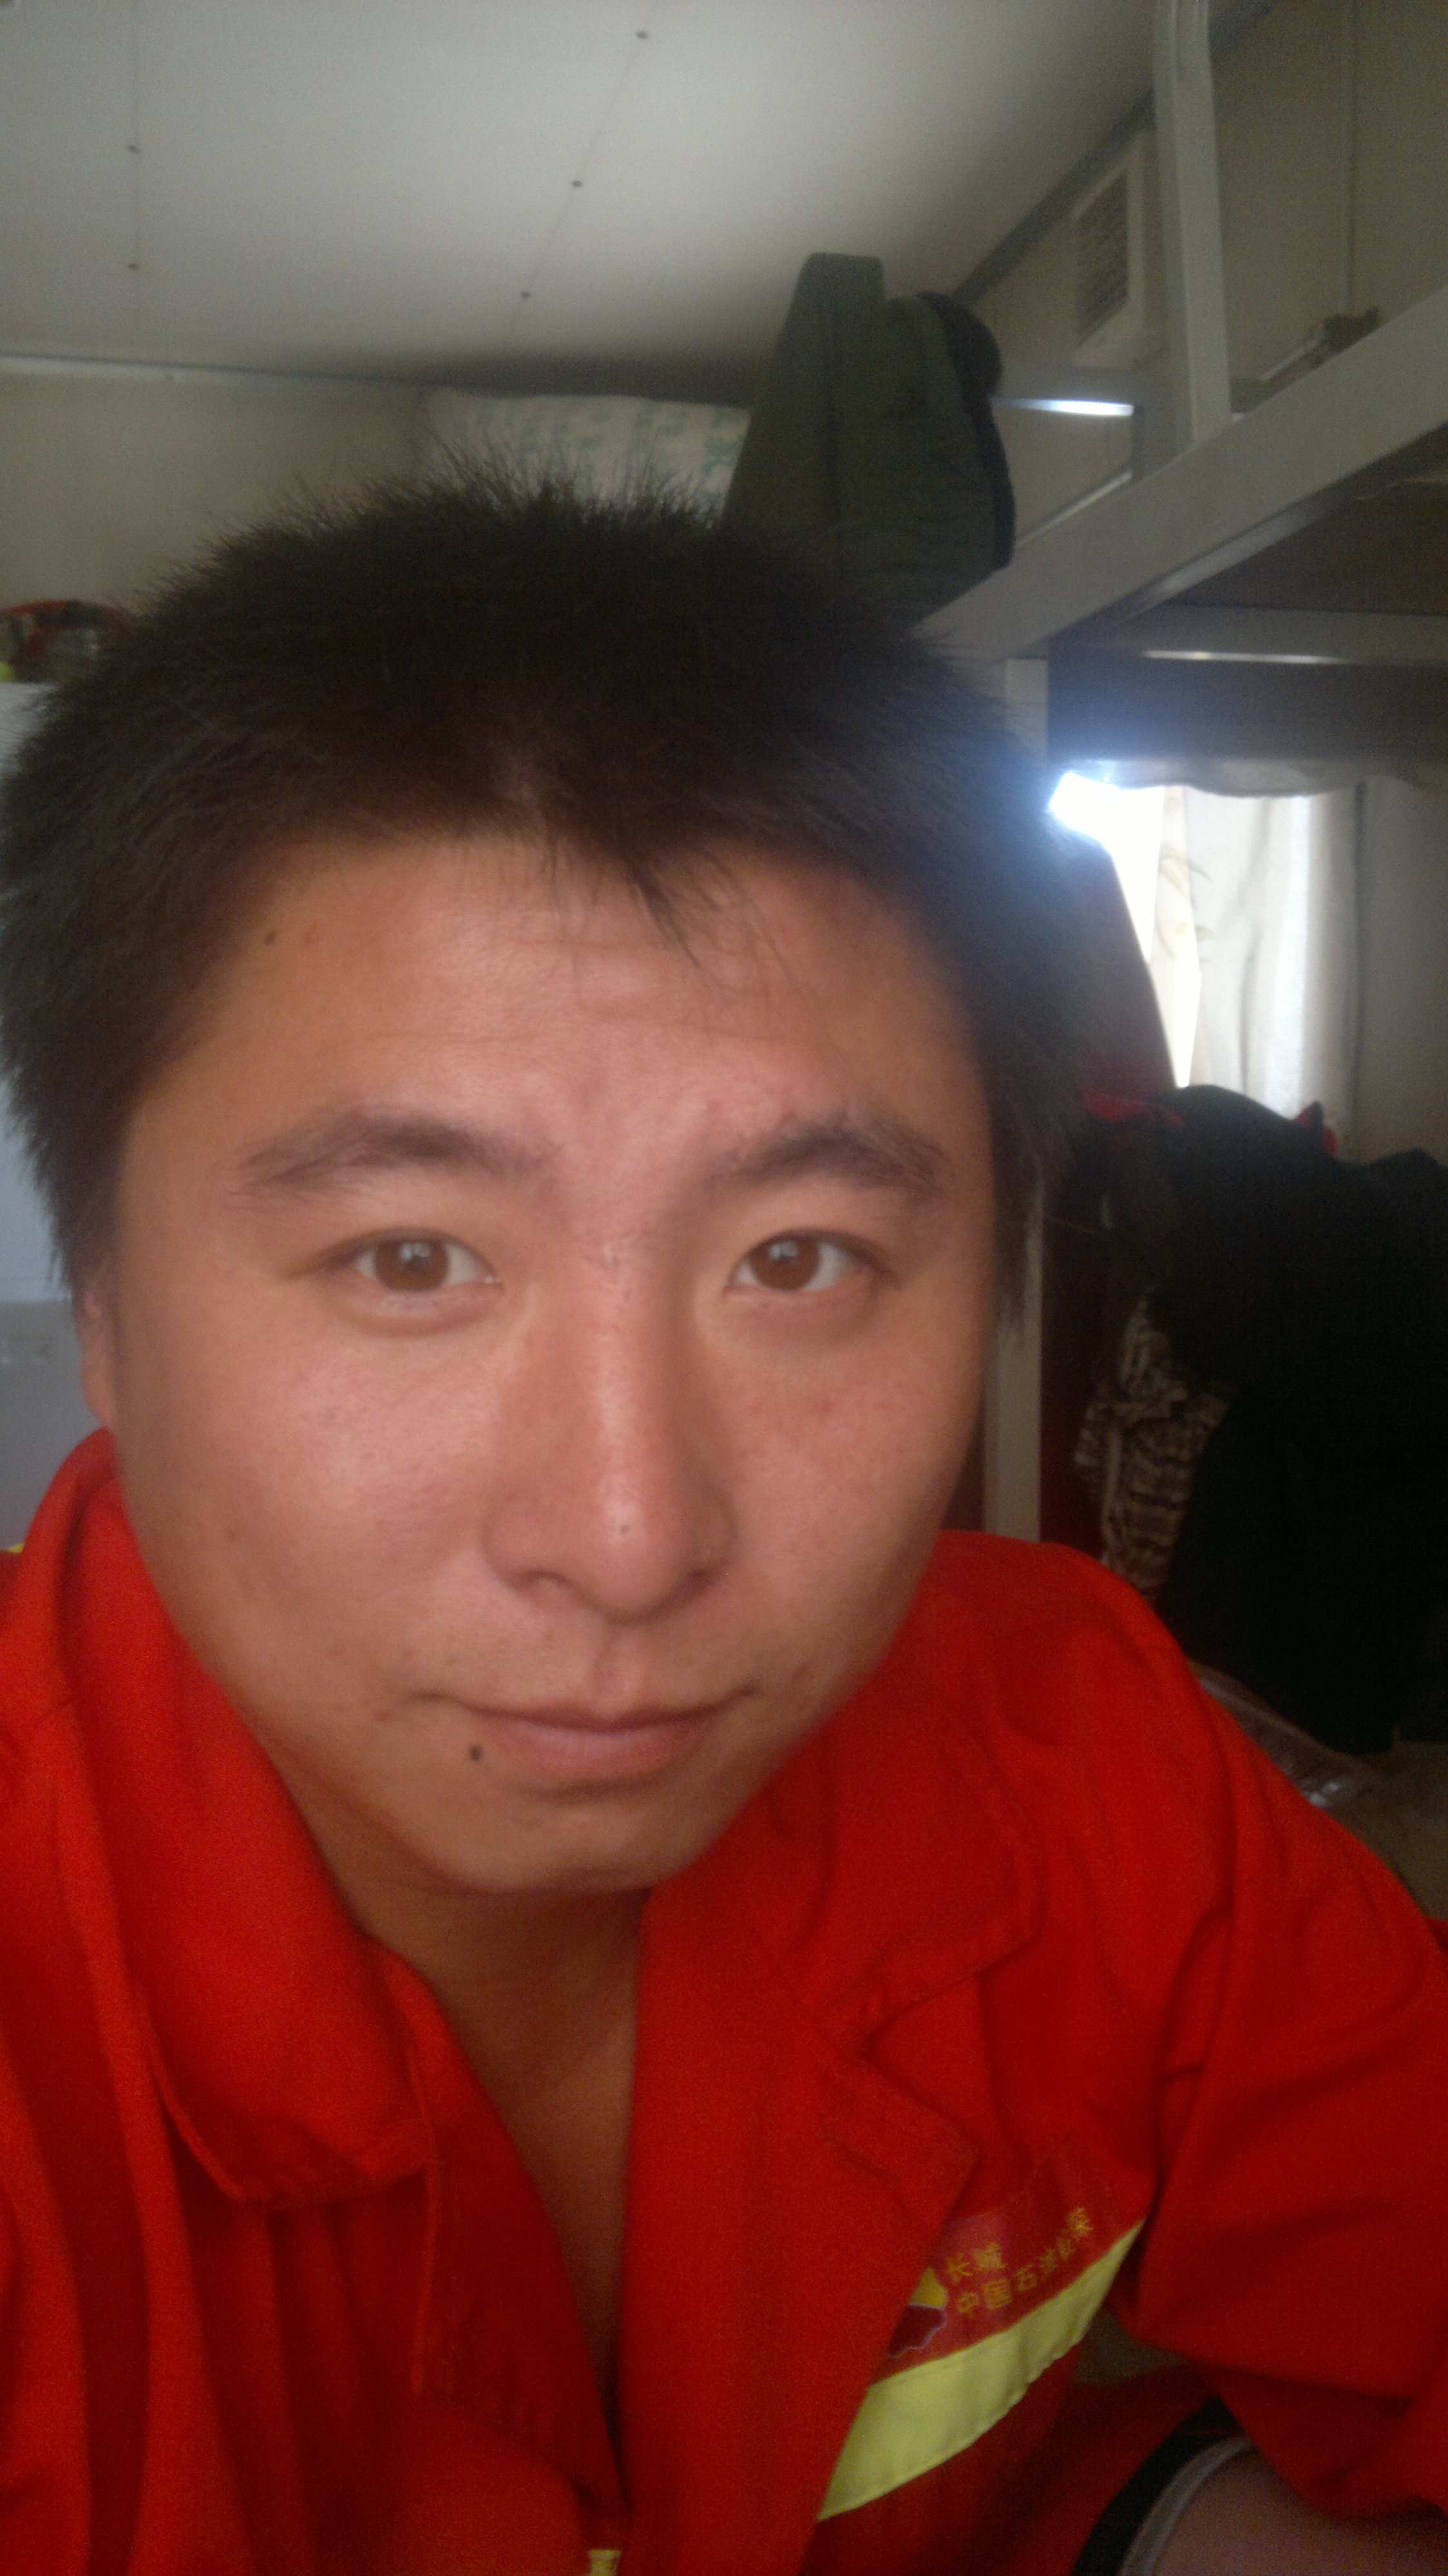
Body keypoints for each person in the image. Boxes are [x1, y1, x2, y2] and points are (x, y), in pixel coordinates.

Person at [0, 476, 1443, 2576]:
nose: (628, 1536)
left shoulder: (1072, 1749)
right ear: (106, 1314)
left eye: (799, 1260)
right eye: (411, 1258)